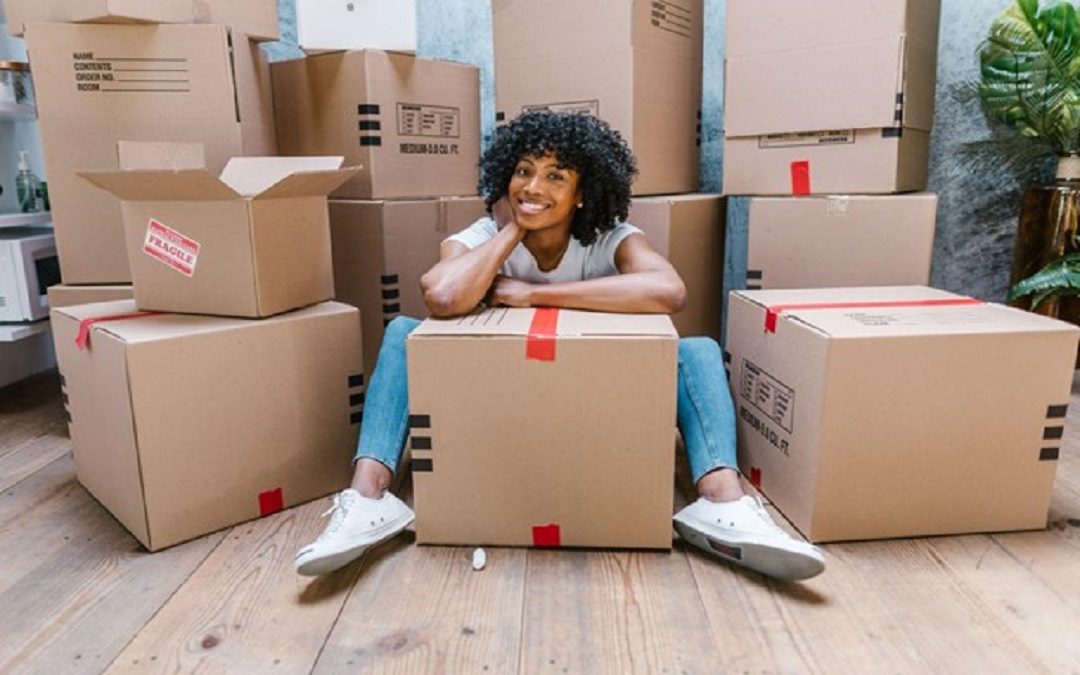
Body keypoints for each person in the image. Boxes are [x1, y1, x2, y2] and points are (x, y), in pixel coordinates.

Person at [295, 111, 825, 581]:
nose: (535, 185)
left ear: (583, 192)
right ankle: (369, 498)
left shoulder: (611, 236)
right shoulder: (481, 234)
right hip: (502, 404)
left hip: (587, 401)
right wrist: (510, 231)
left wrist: (531, 293)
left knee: (699, 350)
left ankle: (720, 502)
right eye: (523, 171)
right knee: (402, 332)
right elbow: (442, 293)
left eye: (555, 176)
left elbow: (669, 291)